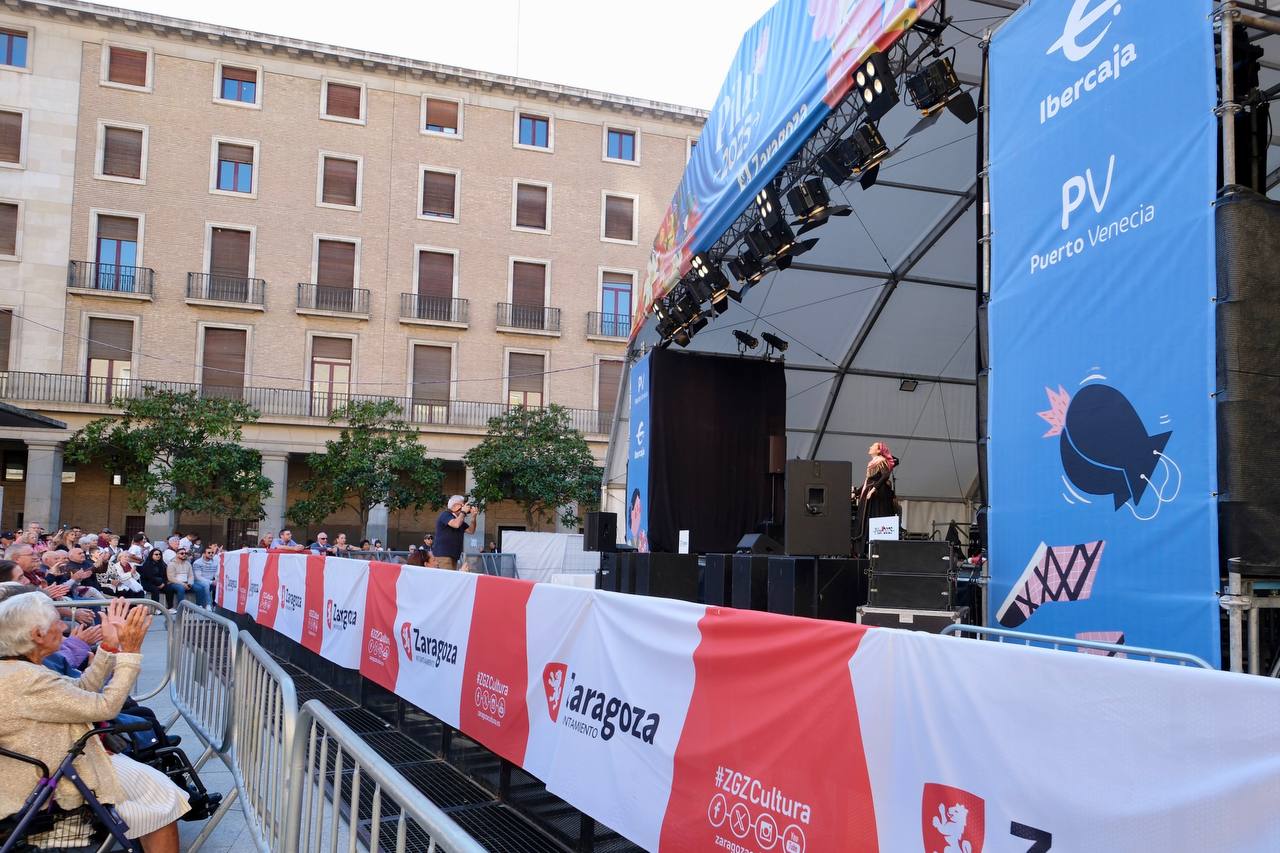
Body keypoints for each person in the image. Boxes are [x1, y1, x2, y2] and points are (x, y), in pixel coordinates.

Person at [0, 595, 189, 851]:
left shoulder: (17, 670)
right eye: (57, 622)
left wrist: (109, 648)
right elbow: (105, 707)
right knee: (164, 798)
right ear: (38, 634)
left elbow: (79, 691)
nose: (64, 627)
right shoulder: (26, 679)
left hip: (53, 767)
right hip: (51, 783)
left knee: (161, 792)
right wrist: (130, 652)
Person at [854, 441, 898, 551]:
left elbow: (885, 475)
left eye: (873, 446)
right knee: (865, 520)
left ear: (878, 450)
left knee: (874, 517)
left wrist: (874, 489)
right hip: (870, 492)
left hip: (877, 495)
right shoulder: (873, 462)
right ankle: (862, 548)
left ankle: (874, 549)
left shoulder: (881, 461)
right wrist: (856, 493)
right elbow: (867, 481)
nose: (870, 447)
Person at [433, 495, 476, 571]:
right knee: (448, 577)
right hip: (444, 555)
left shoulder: (459, 519)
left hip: (454, 556)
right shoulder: (445, 514)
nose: (464, 507)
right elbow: (456, 524)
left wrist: (473, 517)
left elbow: (471, 530)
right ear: (455, 506)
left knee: (452, 577)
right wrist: (463, 512)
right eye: (462, 505)